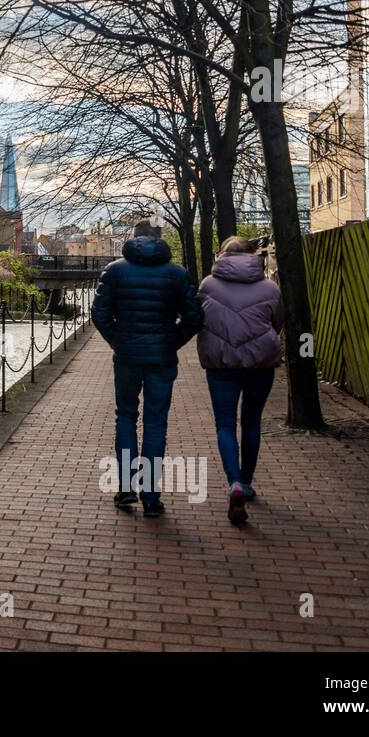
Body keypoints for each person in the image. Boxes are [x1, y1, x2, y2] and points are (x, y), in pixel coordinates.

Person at [92, 219, 203, 517]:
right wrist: (171, 341)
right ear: (160, 238)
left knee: (126, 417)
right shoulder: (177, 273)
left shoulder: (115, 271)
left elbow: (99, 314)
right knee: (156, 423)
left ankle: (127, 488)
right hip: (161, 360)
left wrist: (118, 340)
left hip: (127, 358)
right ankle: (151, 497)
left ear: (134, 237)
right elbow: (194, 317)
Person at [196, 237, 285, 525]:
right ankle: (246, 483)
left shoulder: (208, 284)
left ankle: (233, 481)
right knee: (252, 421)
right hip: (260, 363)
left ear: (222, 255)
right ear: (253, 255)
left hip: (221, 364)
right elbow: (278, 322)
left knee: (225, 423)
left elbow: (200, 319)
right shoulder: (270, 287)